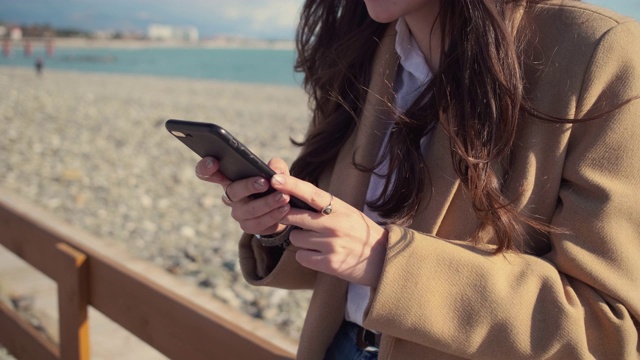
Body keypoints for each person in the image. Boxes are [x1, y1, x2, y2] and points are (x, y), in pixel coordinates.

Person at [195, 0, 640, 358]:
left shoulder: (599, 51)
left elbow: (610, 331)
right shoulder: (360, 46)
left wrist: (384, 259)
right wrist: (280, 226)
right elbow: (339, 272)